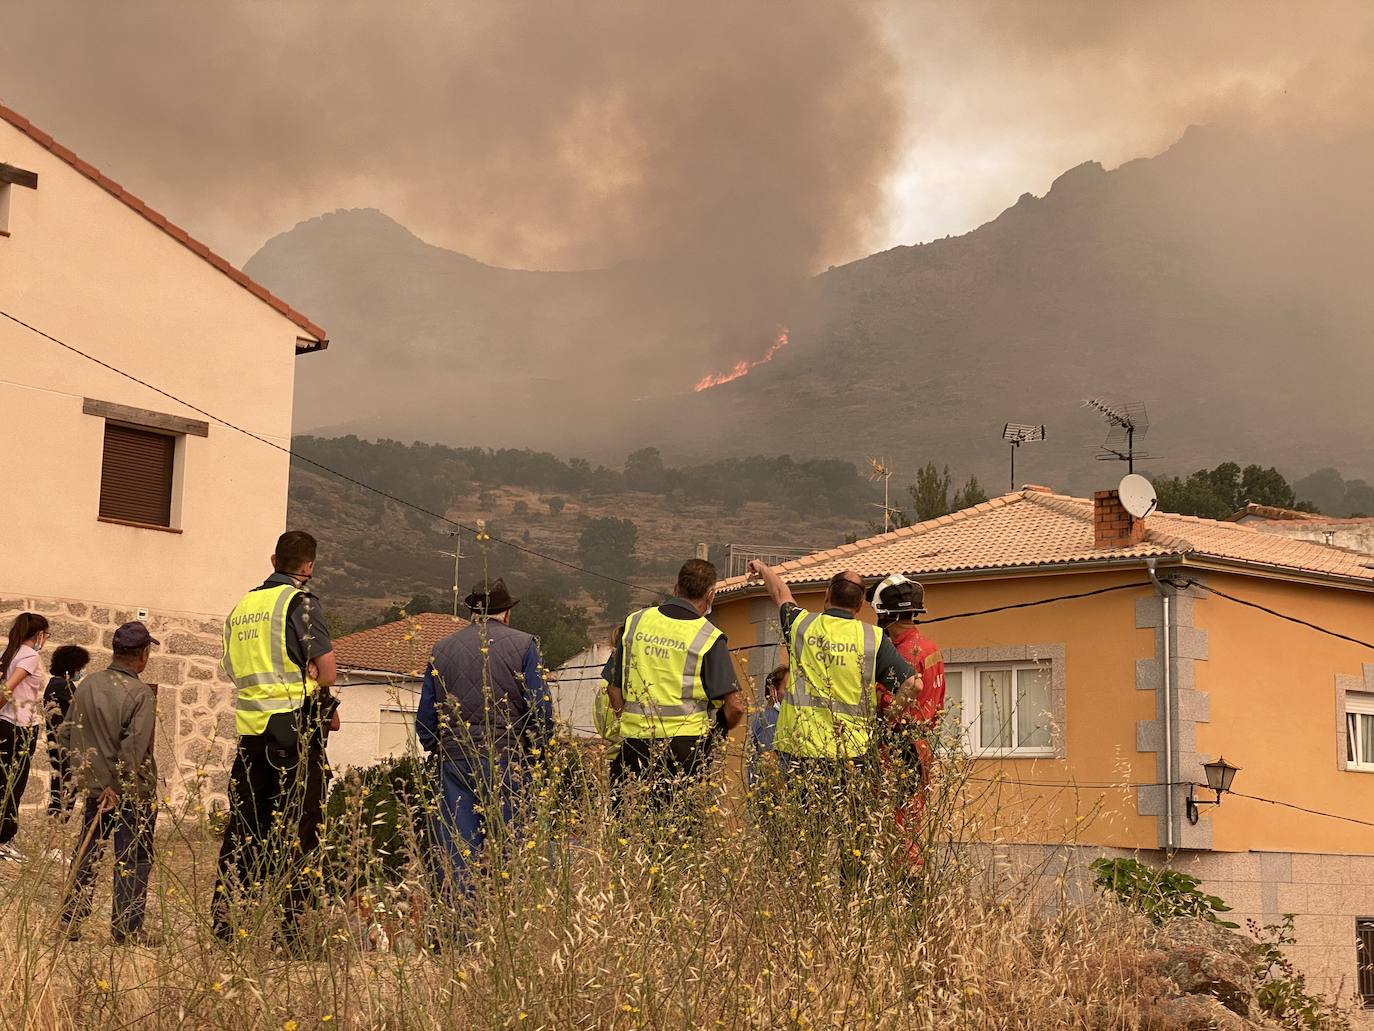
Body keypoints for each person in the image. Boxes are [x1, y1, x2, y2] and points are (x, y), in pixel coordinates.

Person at [745, 562, 917, 880]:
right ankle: (849, 904)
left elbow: (780, 592)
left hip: (801, 755)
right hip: (853, 758)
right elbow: (913, 685)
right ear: (860, 605)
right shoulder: (873, 638)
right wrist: (890, 715)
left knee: (804, 839)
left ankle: (805, 902)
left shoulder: (802, 626)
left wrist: (763, 568)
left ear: (826, 597)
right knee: (854, 841)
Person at [213, 530, 337, 947]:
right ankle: (293, 933)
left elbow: (231, 667)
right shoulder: (299, 602)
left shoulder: (242, 607)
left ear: (272, 560)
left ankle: (227, 925)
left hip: (251, 734)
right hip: (293, 732)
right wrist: (313, 677)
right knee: (300, 829)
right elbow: (329, 671)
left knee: (245, 828)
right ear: (309, 566)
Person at [416, 576, 551, 899]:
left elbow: (425, 716)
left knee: (456, 853)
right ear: (506, 612)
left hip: (454, 761)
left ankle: (458, 934)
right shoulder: (524, 645)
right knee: (515, 849)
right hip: (507, 760)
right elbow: (539, 710)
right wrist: (538, 752)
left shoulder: (442, 649)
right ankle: (514, 927)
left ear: (471, 612)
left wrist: (439, 746)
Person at [603, 558, 744, 819]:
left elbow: (613, 688)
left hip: (634, 746)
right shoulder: (709, 636)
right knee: (679, 835)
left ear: (675, 587)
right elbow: (734, 706)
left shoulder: (635, 623)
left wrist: (630, 719)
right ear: (711, 595)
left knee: (628, 829)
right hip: (685, 752)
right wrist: (717, 734)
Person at [58, 622, 161, 944]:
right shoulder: (140, 693)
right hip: (130, 791)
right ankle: (127, 929)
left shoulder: (88, 684)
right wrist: (116, 786)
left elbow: (65, 734)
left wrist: (88, 777)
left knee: (88, 851)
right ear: (143, 655)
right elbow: (133, 748)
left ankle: (69, 920)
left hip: (96, 787)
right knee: (133, 856)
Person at [868, 573, 946, 866]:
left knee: (896, 829)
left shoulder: (901, 655)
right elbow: (938, 703)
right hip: (923, 746)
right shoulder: (931, 648)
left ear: (884, 614)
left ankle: (905, 891)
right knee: (912, 825)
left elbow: (884, 705)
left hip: (899, 748)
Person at [0, 612, 51, 861]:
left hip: (6, 723)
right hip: (21, 726)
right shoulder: (30, 655)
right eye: (47, 635)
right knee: (14, 784)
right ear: (40, 634)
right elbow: (9, 687)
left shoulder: (11, 652)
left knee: (3, 781)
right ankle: (5, 839)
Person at [45, 644, 90, 818]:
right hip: (65, 745)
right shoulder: (64, 686)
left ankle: (56, 823)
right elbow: (81, 710)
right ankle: (58, 824)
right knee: (67, 788)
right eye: (81, 668)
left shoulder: (53, 683)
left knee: (59, 784)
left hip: (55, 743)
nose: (82, 671)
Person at [746, 662, 788, 786]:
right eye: (787, 689)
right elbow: (769, 765)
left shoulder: (777, 717)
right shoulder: (769, 719)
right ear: (772, 691)